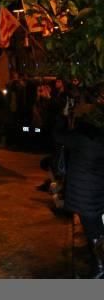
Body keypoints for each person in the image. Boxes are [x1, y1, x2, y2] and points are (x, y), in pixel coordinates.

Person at [53, 91, 104, 279]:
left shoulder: (81, 137)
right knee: (97, 229)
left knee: (94, 233)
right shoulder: (98, 135)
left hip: (85, 195)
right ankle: (98, 266)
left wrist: (62, 116)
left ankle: (99, 269)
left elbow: (57, 136)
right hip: (98, 191)